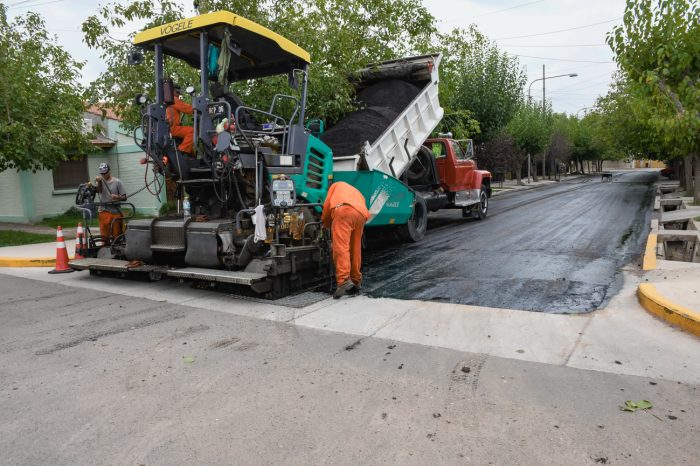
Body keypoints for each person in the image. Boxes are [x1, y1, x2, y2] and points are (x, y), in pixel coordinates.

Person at [321, 181, 370, 299]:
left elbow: (327, 207)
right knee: (355, 248)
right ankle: (356, 280)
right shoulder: (354, 190)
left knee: (341, 247)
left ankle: (343, 281)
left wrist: (326, 223)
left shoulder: (334, 186)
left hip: (343, 211)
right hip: (361, 215)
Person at [94, 162, 126, 245]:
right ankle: (105, 249)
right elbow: (99, 190)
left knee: (117, 235)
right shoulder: (100, 181)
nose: (104, 175)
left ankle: (117, 249)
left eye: (105, 173)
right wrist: (99, 182)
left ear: (109, 171)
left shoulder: (117, 182)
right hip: (103, 210)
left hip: (115, 211)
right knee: (104, 236)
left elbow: (124, 197)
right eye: (102, 173)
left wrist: (117, 197)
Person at [166, 84, 194, 155]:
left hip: (168, 129)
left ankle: (190, 156)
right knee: (191, 131)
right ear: (172, 91)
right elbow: (188, 109)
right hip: (172, 128)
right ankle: (181, 152)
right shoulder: (173, 100)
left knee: (190, 148)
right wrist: (197, 107)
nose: (178, 95)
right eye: (177, 92)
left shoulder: (165, 100)